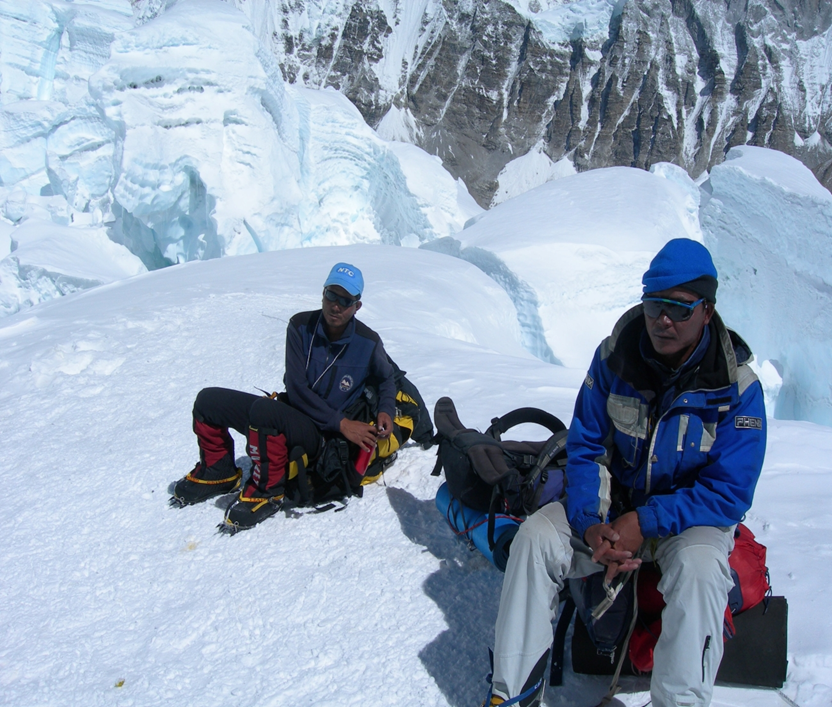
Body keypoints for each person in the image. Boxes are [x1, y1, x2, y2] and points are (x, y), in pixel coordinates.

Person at [486, 239, 767, 707]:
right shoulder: (613, 359)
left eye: (679, 308)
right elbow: (586, 448)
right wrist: (590, 523)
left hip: (686, 522)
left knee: (701, 570)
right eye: (655, 304)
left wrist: (645, 522)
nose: (663, 320)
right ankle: (511, 694)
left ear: (707, 310)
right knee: (536, 538)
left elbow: (728, 492)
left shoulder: (737, 386)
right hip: (612, 512)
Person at [170, 262, 398, 530]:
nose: (336, 305)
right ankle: (219, 472)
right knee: (208, 401)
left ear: (357, 306)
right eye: (331, 295)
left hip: (323, 437)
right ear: (323, 293)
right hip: (303, 415)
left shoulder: (368, 342)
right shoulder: (301, 326)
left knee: (265, 413)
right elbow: (297, 388)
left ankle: (267, 491)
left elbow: (386, 378)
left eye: (345, 300)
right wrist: (343, 423)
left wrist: (385, 409)